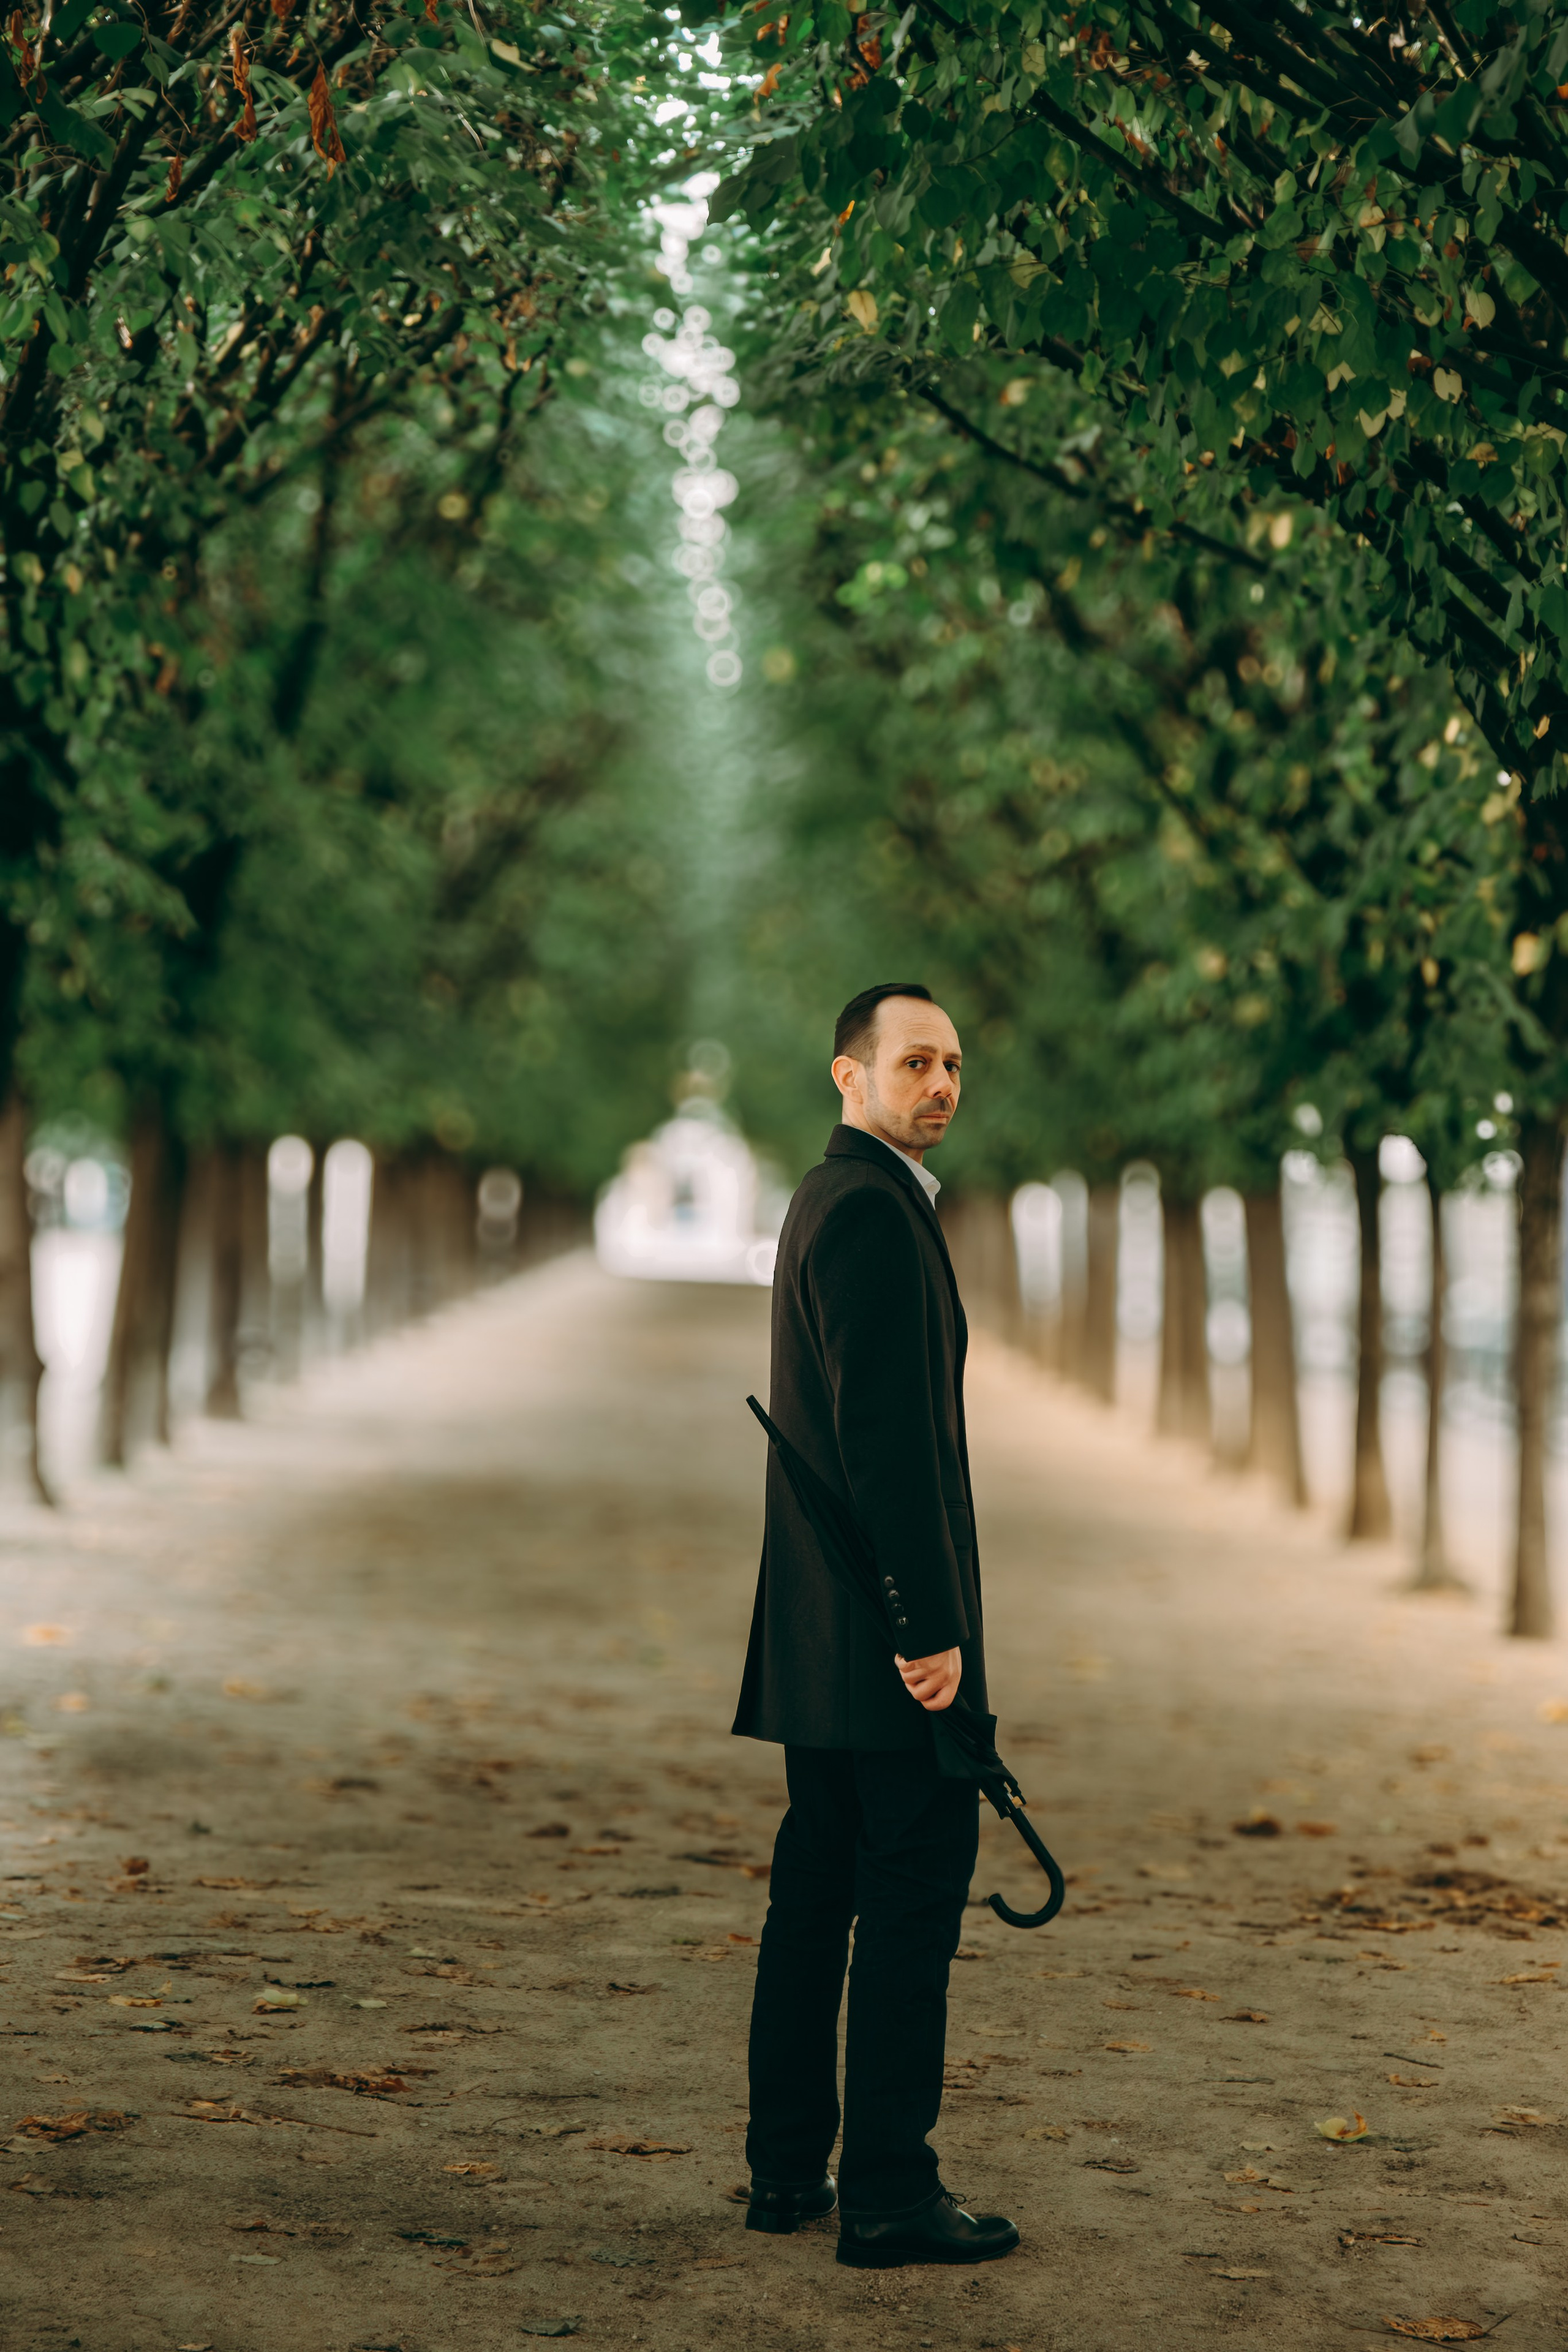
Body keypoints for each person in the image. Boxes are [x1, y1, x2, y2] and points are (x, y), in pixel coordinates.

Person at [731, 981, 1020, 2269]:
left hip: (828, 1637)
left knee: (818, 1889)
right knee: (908, 1902)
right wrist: (928, 1629)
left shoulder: (838, 1199)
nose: (940, 1084)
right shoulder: (865, 1212)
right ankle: (889, 2196)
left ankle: (788, 2170)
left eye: (952, 1064)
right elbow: (885, 1446)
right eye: (914, 1063)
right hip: (878, 1638)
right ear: (849, 1076)